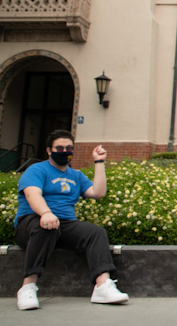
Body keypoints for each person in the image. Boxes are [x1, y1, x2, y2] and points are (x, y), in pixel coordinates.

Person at [14, 129, 129, 310]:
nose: (64, 152)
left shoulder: (75, 176)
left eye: (69, 148)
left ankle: (102, 286)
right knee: (47, 227)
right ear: (49, 150)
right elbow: (32, 194)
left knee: (95, 233)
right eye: (59, 148)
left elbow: (98, 193)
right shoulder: (37, 170)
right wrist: (45, 213)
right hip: (31, 223)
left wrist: (99, 162)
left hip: (63, 224)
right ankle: (27, 286)